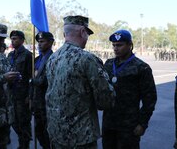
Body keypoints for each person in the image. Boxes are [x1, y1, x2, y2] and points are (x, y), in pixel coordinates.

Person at [45, 15, 115, 148]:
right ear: (82, 32)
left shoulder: (53, 58)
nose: (87, 38)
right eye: (87, 34)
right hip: (80, 137)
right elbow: (105, 100)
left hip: (56, 134)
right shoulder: (86, 59)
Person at [102, 30, 157, 149]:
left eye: (120, 45)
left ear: (130, 45)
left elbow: (150, 99)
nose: (116, 48)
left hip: (129, 125)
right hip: (109, 123)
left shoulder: (141, 67)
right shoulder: (108, 64)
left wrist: (142, 124)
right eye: (114, 45)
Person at [8, 30, 33, 148]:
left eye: (16, 38)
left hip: (23, 95)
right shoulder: (10, 55)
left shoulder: (28, 55)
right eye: (12, 38)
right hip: (12, 94)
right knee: (13, 121)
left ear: (22, 40)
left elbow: (31, 77)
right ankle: (22, 140)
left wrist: (29, 95)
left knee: (24, 122)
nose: (13, 41)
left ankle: (24, 145)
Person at [30, 31, 55, 149]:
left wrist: (31, 80)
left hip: (48, 103)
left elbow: (44, 81)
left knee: (48, 133)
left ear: (50, 42)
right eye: (38, 42)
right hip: (36, 102)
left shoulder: (53, 59)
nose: (39, 44)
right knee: (39, 131)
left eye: (42, 41)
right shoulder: (37, 59)